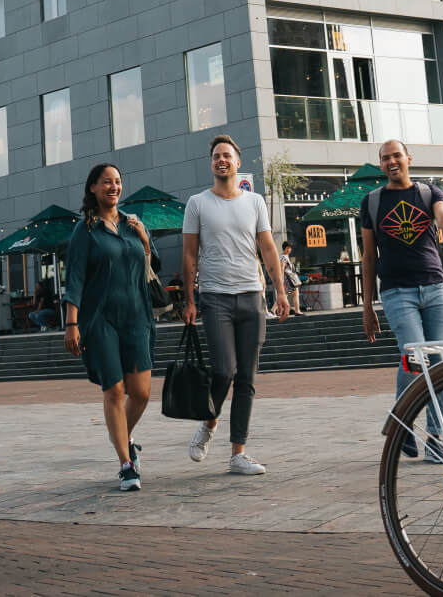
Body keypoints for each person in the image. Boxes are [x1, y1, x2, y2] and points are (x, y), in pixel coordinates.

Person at [181, 134, 291, 476]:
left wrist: (280, 291)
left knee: (247, 377)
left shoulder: (255, 201)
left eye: (227, 155)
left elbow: (268, 249)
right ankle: (209, 424)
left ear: (237, 162)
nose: (221, 160)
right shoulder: (197, 203)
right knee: (224, 370)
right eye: (216, 156)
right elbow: (188, 255)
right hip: (215, 298)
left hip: (252, 297)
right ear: (211, 163)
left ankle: (238, 453)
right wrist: (188, 299)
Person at [360, 138, 443, 459]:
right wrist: (366, 306)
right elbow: (368, 257)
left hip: (434, 286)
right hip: (395, 291)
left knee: (440, 362)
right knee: (415, 357)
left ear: (408, 158)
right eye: (385, 158)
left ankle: (436, 437)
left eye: (396, 156)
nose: (391, 162)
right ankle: (402, 422)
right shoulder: (372, 202)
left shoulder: (429, 192)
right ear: (381, 165)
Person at [63, 162, 158, 492]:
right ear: (93, 188)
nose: (113, 187)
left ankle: (123, 436)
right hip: (99, 319)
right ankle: (126, 464)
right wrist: (71, 322)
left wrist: (145, 240)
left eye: (117, 181)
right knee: (115, 390)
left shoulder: (133, 225)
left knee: (142, 393)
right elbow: (74, 278)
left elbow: (153, 265)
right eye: (106, 182)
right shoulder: (85, 230)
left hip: (137, 317)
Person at [279, 242, 302, 314]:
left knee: (285, 294)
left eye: (290, 248)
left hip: (288, 279)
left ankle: (274, 310)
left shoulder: (285, 256)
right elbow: (282, 268)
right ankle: (297, 311)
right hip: (288, 279)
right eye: (288, 248)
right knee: (295, 294)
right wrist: (282, 280)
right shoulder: (283, 257)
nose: (289, 249)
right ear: (284, 248)